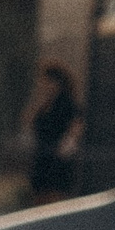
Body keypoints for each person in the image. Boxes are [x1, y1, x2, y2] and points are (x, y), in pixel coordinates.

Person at [27, 63, 83, 205]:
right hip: (41, 162)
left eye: (48, 82)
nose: (44, 86)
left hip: (57, 165)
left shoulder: (67, 104)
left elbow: (75, 128)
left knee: (54, 203)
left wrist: (66, 145)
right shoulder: (45, 105)